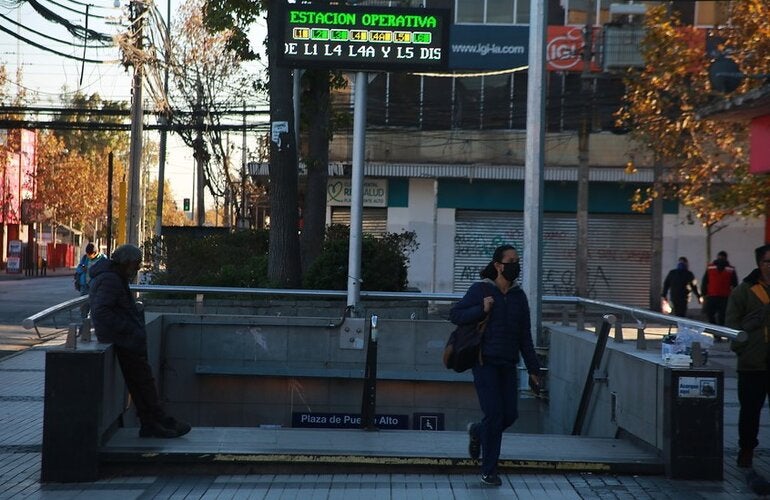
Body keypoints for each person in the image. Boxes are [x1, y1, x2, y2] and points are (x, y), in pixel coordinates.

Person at [449, 244, 541, 487]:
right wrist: (481, 309)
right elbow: (455, 314)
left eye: (517, 260)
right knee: (495, 413)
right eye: (511, 260)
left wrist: (534, 369)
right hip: (484, 362)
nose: (515, 265)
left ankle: (478, 432)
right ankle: (489, 470)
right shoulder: (481, 290)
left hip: (508, 363)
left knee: (509, 415)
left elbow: (525, 336)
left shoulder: (519, 296)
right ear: (498, 265)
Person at [89, 244, 191, 439]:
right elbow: (102, 311)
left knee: (142, 383)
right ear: (126, 262)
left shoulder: (113, 277)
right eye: (136, 265)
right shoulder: (111, 280)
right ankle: (154, 421)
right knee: (142, 383)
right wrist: (128, 328)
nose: (137, 269)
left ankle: (153, 420)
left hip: (124, 338)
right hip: (123, 339)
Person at [726, 243, 770, 468]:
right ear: (759, 264)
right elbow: (731, 326)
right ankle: (746, 450)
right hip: (752, 363)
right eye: (767, 261)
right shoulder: (744, 290)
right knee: (750, 411)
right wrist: (743, 349)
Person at [702, 251, 738, 327]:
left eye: (722, 257)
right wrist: (704, 293)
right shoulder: (711, 268)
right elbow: (705, 281)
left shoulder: (730, 269)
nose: (721, 259)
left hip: (723, 296)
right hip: (714, 296)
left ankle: (718, 333)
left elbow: (735, 284)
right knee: (711, 314)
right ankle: (716, 332)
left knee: (721, 316)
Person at [75, 243, 106, 321]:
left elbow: (105, 272)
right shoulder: (85, 258)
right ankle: (84, 325)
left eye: (90, 254)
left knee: (96, 308)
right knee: (83, 307)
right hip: (85, 286)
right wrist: (83, 268)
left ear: (95, 253)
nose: (88, 256)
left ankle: (94, 325)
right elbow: (78, 269)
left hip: (96, 288)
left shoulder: (103, 259)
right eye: (87, 254)